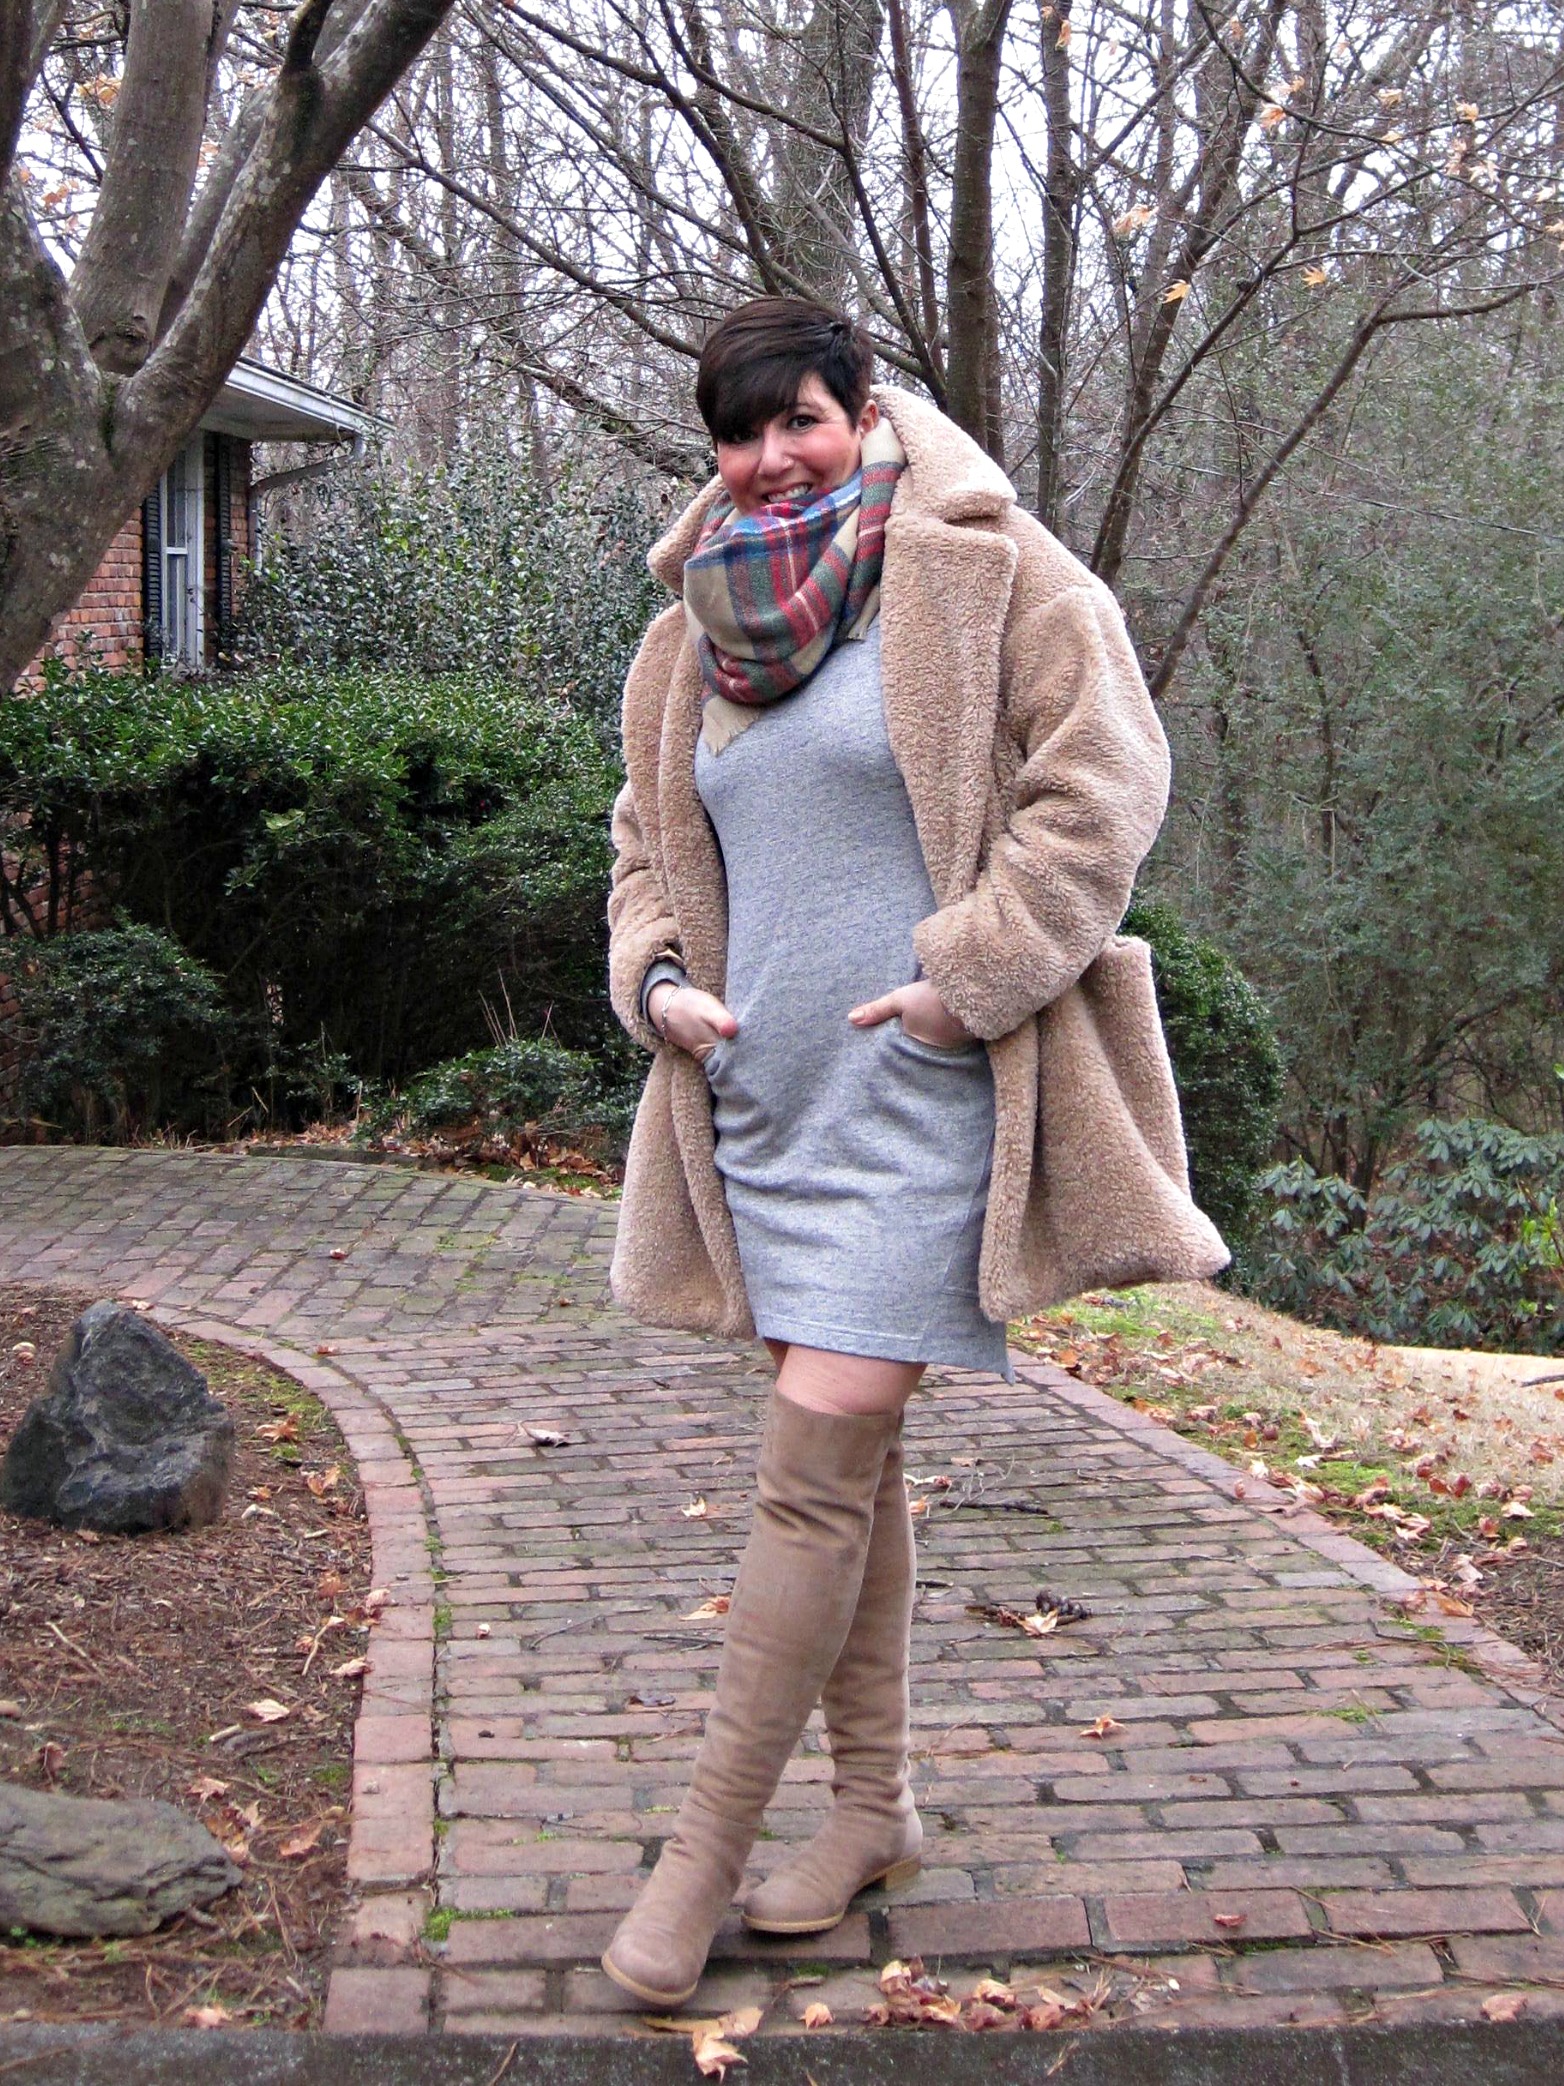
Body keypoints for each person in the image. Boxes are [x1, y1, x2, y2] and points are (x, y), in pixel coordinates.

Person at [601, 296, 1227, 2006]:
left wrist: (975, 977)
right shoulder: (690, 631)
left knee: (810, 1470)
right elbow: (645, 846)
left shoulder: (988, 571)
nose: (770, 456)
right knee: (850, 1471)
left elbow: (1107, 781)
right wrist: (658, 983)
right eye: (739, 434)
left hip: (927, 1096)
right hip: (765, 1105)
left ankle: (700, 1856)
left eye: (798, 419)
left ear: (861, 409)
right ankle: (872, 1809)